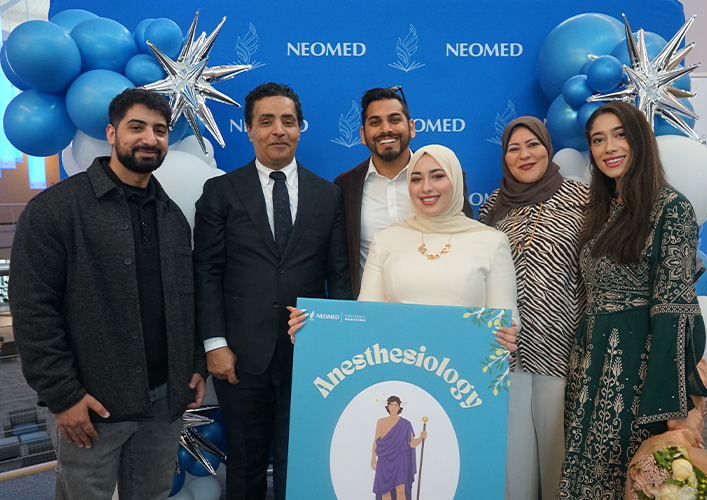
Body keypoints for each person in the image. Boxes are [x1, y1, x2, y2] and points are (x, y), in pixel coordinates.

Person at [9, 88, 206, 500]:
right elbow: (33, 310)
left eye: (160, 130)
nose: (149, 139)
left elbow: (185, 299)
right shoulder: (56, 209)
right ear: (112, 134)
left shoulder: (171, 217)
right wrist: (63, 395)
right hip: (92, 407)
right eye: (137, 128)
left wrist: (193, 365)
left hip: (164, 403)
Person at [193, 82, 352, 500]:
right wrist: (214, 342)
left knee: (300, 461)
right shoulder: (221, 192)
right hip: (239, 356)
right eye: (266, 121)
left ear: (301, 127)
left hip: (310, 352)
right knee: (244, 462)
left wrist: (337, 343)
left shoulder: (328, 194)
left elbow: (338, 274)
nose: (278, 130)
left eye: (287, 121)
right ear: (249, 129)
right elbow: (206, 271)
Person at [558, 101, 707, 499]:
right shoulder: (604, 209)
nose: (608, 146)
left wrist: (671, 402)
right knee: (587, 475)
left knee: (631, 479)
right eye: (597, 139)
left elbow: (673, 309)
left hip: (637, 373)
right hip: (591, 365)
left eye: (619, 134)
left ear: (641, 140)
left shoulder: (671, 209)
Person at [291, 144, 518, 355]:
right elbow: (365, 320)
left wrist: (507, 338)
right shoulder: (385, 241)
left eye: (438, 176)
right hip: (398, 376)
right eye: (416, 179)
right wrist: (313, 329)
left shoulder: (491, 241)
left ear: (456, 180)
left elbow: (505, 321)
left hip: (464, 379)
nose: (426, 187)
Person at [478, 116, 588, 500]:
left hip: (563, 348)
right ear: (504, 157)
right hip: (505, 353)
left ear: (548, 147)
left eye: (533, 145)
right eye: (513, 148)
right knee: (513, 464)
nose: (524, 155)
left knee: (560, 457)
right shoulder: (492, 206)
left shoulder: (582, 199)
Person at [334, 87, 472, 297]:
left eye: (394, 119)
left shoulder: (447, 179)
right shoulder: (346, 185)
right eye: (375, 122)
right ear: (363, 134)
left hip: (440, 308)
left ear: (412, 127)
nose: (385, 129)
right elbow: (341, 263)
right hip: (372, 314)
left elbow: (465, 243)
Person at [371, 396, 426, 500]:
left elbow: (412, 443)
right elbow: (376, 441)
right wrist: (373, 458)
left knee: (401, 491)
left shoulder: (406, 424)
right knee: (385, 492)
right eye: (391, 405)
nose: (393, 407)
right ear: (387, 407)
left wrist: (421, 438)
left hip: (400, 460)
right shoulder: (381, 422)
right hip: (384, 460)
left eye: (396, 405)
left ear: (399, 407)